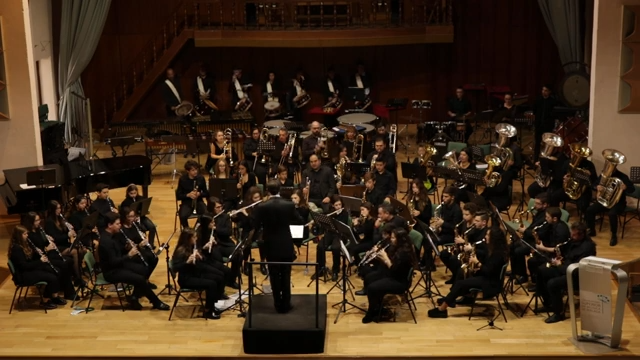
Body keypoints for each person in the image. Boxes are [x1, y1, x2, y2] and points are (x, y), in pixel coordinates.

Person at [428, 224, 508, 318]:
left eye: (487, 235)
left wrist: (477, 263)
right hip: (488, 277)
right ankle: (453, 299)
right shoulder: (493, 249)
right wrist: (476, 267)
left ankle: (442, 309)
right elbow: (489, 268)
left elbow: (489, 271)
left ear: (494, 238)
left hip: (491, 283)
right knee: (462, 273)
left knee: (460, 284)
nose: (485, 236)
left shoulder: (497, 254)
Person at [251, 179, 303, 313]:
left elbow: (255, 226)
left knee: (274, 274)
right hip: (285, 243)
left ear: (267, 191)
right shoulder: (289, 205)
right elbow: (299, 220)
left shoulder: (261, 206)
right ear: (280, 189)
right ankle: (286, 304)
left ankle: (277, 304)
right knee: (286, 274)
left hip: (270, 244)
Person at [98, 212, 169, 311]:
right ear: (110, 225)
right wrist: (129, 255)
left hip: (119, 264)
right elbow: (113, 262)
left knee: (144, 270)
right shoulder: (106, 241)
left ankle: (134, 297)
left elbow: (118, 252)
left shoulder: (113, 235)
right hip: (112, 271)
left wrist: (127, 247)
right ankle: (156, 302)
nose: (120, 226)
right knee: (139, 279)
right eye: (117, 224)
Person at [535, 222, 596, 323]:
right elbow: (568, 255)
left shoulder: (588, 248)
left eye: (574, 234)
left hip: (577, 276)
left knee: (552, 283)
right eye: (571, 233)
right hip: (565, 269)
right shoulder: (573, 241)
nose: (571, 236)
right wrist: (561, 258)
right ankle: (549, 303)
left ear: (582, 234)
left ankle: (558, 314)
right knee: (541, 271)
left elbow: (577, 269)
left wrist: (560, 265)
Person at [361, 228, 417, 323]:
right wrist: (378, 256)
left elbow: (394, 269)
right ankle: (378, 307)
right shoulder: (396, 248)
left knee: (371, 287)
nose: (391, 239)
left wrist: (385, 257)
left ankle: (371, 312)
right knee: (370, 278)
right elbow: (389, 266)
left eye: (394, 238)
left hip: (399, 281)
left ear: (400, 240)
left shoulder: (404, 253)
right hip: (393, 275)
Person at [172, 227, 225, 319]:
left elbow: (201, 260)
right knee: (211, 284)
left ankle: (212, 304)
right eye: (194, 237)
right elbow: (175, 268)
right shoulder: (180, 251)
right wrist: (187, 262)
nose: (196, 239)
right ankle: (208, 311)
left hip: (194, 273)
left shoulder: (192, 246)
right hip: (186, 279)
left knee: (218, 278)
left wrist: (200, 256)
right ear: (188, 239)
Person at [9, 225, 66, 309]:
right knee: (51, 277)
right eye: (25, 234)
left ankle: (54, 296)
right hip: (23, 275)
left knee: (55, 270)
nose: (27, 236)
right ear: (19, 236)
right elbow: (24, 266)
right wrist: (40, 261)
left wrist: (38, 253)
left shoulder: (25, 244)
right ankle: (45, 301)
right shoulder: (16, 249)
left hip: (29, 270)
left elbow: (30, 259)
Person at [21, 212, 75, 298]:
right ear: (31, 222)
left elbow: (44, 243)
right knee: (63, 265)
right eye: (36, 220)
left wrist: (48, 240)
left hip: (48, 255)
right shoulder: (29, 235)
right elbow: (35, 253)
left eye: (39, 220)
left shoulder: (39, 230)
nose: (39, 222)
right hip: (40, 260)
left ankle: (65, 288)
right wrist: (46, 249)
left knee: (68, 261)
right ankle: (68, 292)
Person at [585, 167, 635, 246]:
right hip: (606, 200)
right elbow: (594, 184)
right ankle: (592, 230)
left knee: (612, 214)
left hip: (618, 202)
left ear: (615, 166)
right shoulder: (604, 175)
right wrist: (597, 187)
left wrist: (626, 187)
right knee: (590, 210)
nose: (609, 168)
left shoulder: (623, 176)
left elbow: (632, 189)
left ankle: (614, 235)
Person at [199, 197, 240, 289]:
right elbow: (200, 232)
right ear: (211, 208)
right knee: (217, 260)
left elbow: (228, 232)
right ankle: (220, 283)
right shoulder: (205, 217)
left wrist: (216, 229)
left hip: (225, 243)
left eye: (221, 206)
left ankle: (231, 280)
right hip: (213, 246)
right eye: (217, 207)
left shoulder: (225, 217)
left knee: (238, 255)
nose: (220, 209)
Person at [510, 193, 549, 284]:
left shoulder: (545, 217)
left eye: (537, 204)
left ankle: (523, 275)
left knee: (518, 251)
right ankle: (515, 271)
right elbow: (533, 227)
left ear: (545, 205)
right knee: (512, 246)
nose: (534, 206)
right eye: (535, 203)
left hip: (538, 242)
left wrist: (524, 231)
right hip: (530, 238)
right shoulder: (539, 213)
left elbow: (540, 233)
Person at [528, 207, 568, 291]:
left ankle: (541, 287)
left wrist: (543, 248)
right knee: (531, 261)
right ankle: (537, 283)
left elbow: (558, 249)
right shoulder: (550, 225)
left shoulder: (561, 230)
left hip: (557, 256)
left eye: (547, 217)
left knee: (540, 267)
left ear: (555, 218)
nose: (545, 219)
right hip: (548, 251)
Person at [45, 200, 86, 282]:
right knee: (74, 252)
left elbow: (64, 232)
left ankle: (75, 271)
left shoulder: (60, 218)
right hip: (57, 247)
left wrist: (69, 228)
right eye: (57, 209)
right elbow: (55, 238)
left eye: (60, 208)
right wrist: (67, 235)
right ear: (52, 210)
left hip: (65, 244)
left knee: (83, 250)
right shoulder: (49, 222)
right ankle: (78, 278)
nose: (59, 210)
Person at [438, 202, 480, 284]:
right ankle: (455, 274)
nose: (464, 216)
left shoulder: (475, 227)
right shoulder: (464, 223)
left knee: (453, 259)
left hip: (469, 252)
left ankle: (458, 278)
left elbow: (475, 243)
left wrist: (463, 242)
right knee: (443, 254)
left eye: (467, 214)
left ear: (473, 215)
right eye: (463, 214)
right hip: (461, 247)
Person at [118, 207, 159, 287]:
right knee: (145, 264)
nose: (132, 218)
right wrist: (138, 245)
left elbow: (139, 236)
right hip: (129, 253)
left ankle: (145, 280)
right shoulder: (121, 230)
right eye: (129, 216)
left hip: (139, 249)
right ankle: (142, 284)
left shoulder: (134, 224)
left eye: (133, 216)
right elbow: (125, 247)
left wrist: (143, 238)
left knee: (154, 258)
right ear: (124, 217)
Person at [312, 195, 350, 281]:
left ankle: (335, 271)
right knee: (320, 246)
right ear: (332, 205)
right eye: (336, 205)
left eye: (340, 205)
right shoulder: (329, 212)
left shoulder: (345, 213)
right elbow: (325, 225)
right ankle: (320, 269)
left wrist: (336, 217)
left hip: (340, 235)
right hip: (330, 233)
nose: (338, 207)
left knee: (335, 248)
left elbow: (343, 227)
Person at [176, 160, 208, 229]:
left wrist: (199, 194)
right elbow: (178, 195)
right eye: (193, 170)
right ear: (188, 171)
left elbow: (206, 193)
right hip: (187, 202)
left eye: (196, 169)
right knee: (182, 216)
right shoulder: (182, 179)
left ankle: (197, 229)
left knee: (206, 214)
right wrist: (188, 195)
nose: (195, 172)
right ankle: (187, 230)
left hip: (198, 201)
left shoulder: (201, 178)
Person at [532, 85, 559, 163]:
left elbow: (554, 114)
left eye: (546, 90)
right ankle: (535, 161)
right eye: (543, 90)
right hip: (539, 125)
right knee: (537, 143)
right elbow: (534, 110)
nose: (544, 92)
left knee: (547, 144)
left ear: (549, 92)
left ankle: (544, 162)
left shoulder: (553, 101)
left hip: (548, 126)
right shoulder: (538, 99)